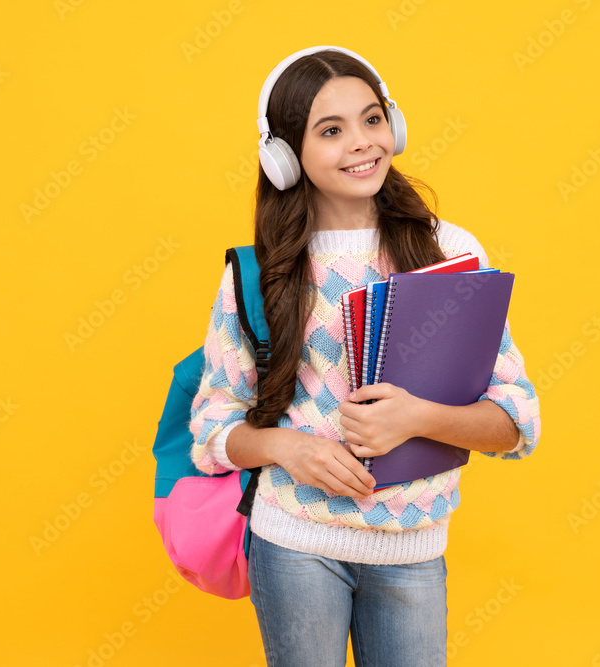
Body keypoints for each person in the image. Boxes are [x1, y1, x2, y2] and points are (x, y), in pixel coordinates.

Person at [189, 45, 541, 667]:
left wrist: (418, 417)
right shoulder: (259, 274)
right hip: (293, 541)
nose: (362, 142)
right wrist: (284, 447)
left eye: (373, 119)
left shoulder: (449, 252)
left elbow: (517, 423)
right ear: (284, 157)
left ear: (394, 126)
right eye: (331, 130)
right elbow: (213, 428)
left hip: (412, 550)